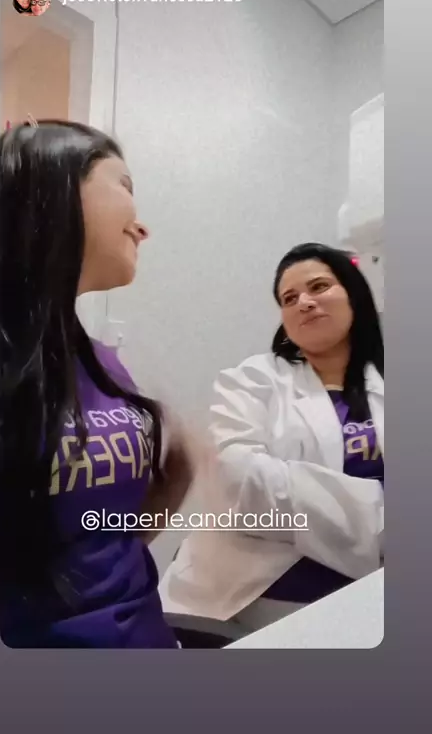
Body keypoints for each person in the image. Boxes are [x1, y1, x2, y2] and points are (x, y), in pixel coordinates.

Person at [1, 119, 204, 648]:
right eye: (125, 185)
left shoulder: (102, 361)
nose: (143, 228)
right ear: (54, 185)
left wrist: (177, 474)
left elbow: (107, 536)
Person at [160, 242, 384, 634]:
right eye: (289, 298)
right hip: (256, 600)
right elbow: (242, 484)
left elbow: (272, 488)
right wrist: (382, 513)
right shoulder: (250, 381)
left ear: (354, 293)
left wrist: (294, 485)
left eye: (319, 287)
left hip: (372, 592)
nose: (304, 302)